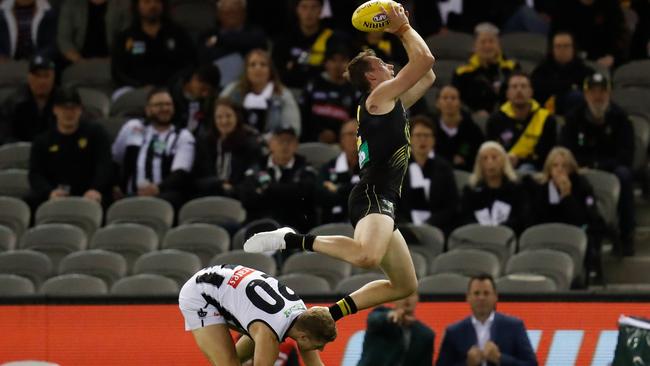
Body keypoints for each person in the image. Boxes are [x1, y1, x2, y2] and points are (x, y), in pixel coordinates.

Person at [244, 3, 436, 321]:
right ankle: (291, 239)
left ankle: (329, 315)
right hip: (374, 195)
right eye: (383, 65)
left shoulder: (390, 102)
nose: (390, 65)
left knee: (404, 285)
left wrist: (402, 29)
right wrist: (402, 28)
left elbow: (427, 73)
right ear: (372, 76)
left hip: (383, 198)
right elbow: (424, 59)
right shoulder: (377, 98)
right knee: (365, 255)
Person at [178, 263, 337, 366]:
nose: (321, 349)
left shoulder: (304, 318)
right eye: (319, 345)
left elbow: (315, 364)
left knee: (237, 358)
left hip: (222, 279)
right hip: (199, 294)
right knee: (228, 364)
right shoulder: (269, 337)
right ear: (303, 337)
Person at [560, 72, 636, 256]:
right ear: (585, 94)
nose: (598, 96)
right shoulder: (573, 118)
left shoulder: (621, 118)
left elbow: (626, 155)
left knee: (625, 176)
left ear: (609, 93)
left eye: (602, 91)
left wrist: (596, 166)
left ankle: (627, 235)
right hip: (579, 167)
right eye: (593, 92)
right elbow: (565, 151)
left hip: (611, 168)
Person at [525, 147, 605, 283]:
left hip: (573, 239)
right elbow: (534, 220)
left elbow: (584, 220)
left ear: (571, 169)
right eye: (555, 165)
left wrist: (567, 196)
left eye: (564, 166)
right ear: (549, 169)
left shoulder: (582, 186)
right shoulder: (539, 190)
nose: (559, 169)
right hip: (545, 239)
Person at [26, 87, 113, 210]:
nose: (68, 113)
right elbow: (35, 174)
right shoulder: (43, 141)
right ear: (55, 110)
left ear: (80, 110)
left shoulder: (96, 133)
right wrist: (49, 192)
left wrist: (96, 188)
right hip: (56, 194)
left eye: (73, 108)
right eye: (64, 108)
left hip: (90, 193)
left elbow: (104, 164)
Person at [111, 87, 196, 210]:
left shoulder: (182, 136)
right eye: (159, 105)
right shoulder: (133, 127)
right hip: (130, 195)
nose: (165, 109)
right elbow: (114, 159)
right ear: (148, 109)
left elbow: (180, 173)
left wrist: (157, 189)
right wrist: (114, 185)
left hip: (164, 196)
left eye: (168, 104)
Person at [436, 274, 538, 366]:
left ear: (495, 297)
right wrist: (467, 364)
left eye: (486, 293)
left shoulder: (514, 326)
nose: (481, 298)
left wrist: (500, 358)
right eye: (476, 293)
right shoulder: (454, 332)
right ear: (468, 297)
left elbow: (532, 364)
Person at [239, 127, 317, 233]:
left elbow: (305, 195)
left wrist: (267, 189)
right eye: (280, 140)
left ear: (296, 145)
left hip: (295, 227)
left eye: (289, 141)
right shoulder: (257, 167)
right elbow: (246, 198)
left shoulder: (305, 168)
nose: (285, 145)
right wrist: (288, 192)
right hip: (259, 226)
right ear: (270, 144)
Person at [111, 0, 195, 90]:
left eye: (157, 1)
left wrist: (173, 84)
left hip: (173, 90)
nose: (153, 5)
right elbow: (118, 72)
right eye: (147, 2)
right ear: (137, 6)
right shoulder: (125, 38)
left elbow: (190, 64)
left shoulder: (178, 34)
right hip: (135, 91)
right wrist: (140, 86)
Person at [220, 48, 301, 137]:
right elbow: (218, 117)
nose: (258, 68)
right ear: (246, 70)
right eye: (252, 65)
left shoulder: (283, 94)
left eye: (263, 65)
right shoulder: (232, 90)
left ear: (270, 70)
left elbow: (293, 129)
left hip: (272, 146)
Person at [398, 115, 458, 234]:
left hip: (437, 228)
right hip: (404, 228)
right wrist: (408, 225)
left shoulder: (444, 168)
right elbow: (393, 202)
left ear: (433, 140)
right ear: (409, 138)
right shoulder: (399, 167)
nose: (422, 140)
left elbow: (451, 205)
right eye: (418, 135)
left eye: (427, 135)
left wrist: (430, 223)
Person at [486, 71, 556, 172]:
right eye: (514, 87)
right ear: (507, 93)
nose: (519, 90)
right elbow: (489, 151)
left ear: (531, 92)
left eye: (523, 86)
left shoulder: (546, 119)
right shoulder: (495, 119)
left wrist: (519, 161)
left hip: (535, 170)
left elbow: (548, 156)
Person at [193, 97, 261, 198]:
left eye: (228, 116)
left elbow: (253, 172)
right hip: (210, 192)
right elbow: (197, 177)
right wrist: (219, 184)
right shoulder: (205, 142)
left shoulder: (249, 141)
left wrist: (233, 189)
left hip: (238, 195)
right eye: (219, 117)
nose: (224, 121)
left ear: (237, 117)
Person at [271, 0, 348, 89]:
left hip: (323, 90)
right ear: (296, 9)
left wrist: (294, 67)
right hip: (290, 89)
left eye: (314, 7)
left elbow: (335, 71)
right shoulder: (284, 38)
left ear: (321, 10)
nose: (309, 12)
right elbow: (277, 71)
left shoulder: (331, 38)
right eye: (304, 7)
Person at [459, 141, 529, 234]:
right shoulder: (471, 190)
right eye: (485, 158)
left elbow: (522, 219)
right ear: (479, 163)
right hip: (477, 237)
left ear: (503, 161)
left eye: (494, 157)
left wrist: (498, 230)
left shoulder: (517, 189)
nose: (490, 162)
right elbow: (465, 219)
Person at [452, 22, 519, 116]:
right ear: (474, 46)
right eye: (483, 42)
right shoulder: (462, 72)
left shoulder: (512, 68)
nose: (487, 46)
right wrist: (474, 114)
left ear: (499, 44)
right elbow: (457, 101)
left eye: (491, 41)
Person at [300, 46, 360, 143]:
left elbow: (356, 121)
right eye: (333, 60)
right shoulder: (313, 84)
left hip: (342, 144)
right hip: (310, 139)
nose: (338, 65)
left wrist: (338, 136)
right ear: (325, 63)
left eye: (343, 60)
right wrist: (318, 133)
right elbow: (303, 114)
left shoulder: (355, 90)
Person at [357, 292, 435, 366]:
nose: (407, 298)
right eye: (402, 295)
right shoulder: (381, 315)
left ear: (418, 298)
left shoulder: (426, 335)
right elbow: (374, 320)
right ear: (394, 298)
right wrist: (390, 316)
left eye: (411, 294)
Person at [549, 0, 628, 68]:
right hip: (569, 61)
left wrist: (612, 56)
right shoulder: (563, 5)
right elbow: (555, 37)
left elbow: (620, 35)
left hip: (603, 61)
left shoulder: (610, 5)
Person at [530, 31, 594, 115]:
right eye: (558, 46)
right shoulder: (542, 69)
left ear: (573, 48)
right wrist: (570, 85)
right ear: (552, 49)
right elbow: (536, 88)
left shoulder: (584, 70)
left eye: (566, 46)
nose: (562, 49)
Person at [196, 0, 267, 70]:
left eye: (235, 11)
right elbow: (206, 58)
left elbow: (252, 46)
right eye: (227, 12)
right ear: (218, 14)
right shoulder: (207, 35)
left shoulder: (256, 32)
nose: (231, 14)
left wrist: (218, 40)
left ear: (244, 13)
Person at [1, 55, 56, 143]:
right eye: (37, 76)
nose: (42, 81)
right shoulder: (13, 103)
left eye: (46, 76)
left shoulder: (63, 101)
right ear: (29, 77)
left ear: (53, 78)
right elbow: (3, 136)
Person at [56, 0, 131, 64]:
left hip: (113, 64)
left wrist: (115, 59)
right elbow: (63, 39)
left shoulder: (124, 5)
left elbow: (129, 39)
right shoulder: (71, 4)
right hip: (77, 65)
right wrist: (79, 61)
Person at [315, 119, 359, 224]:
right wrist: (353, 188)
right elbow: (320, 195)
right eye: (350, 134)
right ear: (341, 140)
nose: (355, 138)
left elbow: (370, 193)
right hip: (332, 226)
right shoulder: (328, 167)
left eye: (359, 133)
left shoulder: (373, 165)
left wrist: (338, 189)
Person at [432, 85, 484, 172]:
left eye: (453, 98)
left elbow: (479, 154)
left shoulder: (472, 129)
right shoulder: (430, 128)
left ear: (460, 103)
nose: (449, 101)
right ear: (437, 103)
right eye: (445, 98)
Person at [169, 64, 222, 134]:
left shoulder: (209, 102)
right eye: (203, 89)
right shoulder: (169, 95)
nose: (205, 95)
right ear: (195, 79)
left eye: (210, 92)